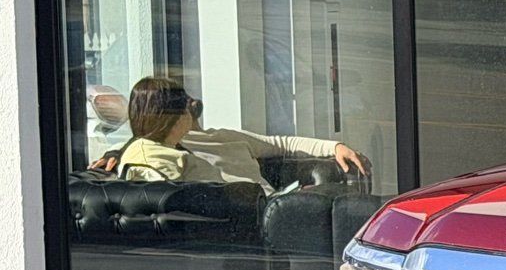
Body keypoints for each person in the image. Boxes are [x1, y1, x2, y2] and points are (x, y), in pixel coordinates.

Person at [109, 76, 370, 192]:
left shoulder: (220, 136)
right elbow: (143, 151)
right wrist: (115, 153)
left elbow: (281, 144)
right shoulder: (163, 154)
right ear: (170, 116)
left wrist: (334, 147)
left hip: (275, 205)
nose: (192, 108)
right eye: (185, 105)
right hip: (257, 215)